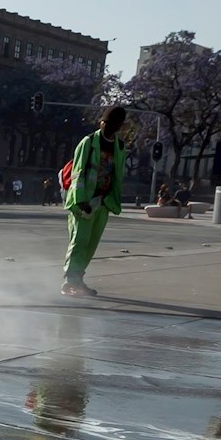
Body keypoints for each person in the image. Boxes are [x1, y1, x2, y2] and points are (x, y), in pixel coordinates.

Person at [61, 105, 129, 297]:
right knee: (79, 241)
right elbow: (78, 172)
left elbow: (117, 175)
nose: (107, 126)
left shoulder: (120, 146)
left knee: (91, 243)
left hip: (104, 202)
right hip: (84, 203)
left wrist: (110, 201)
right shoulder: (89, 142)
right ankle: (70, 281)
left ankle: (77, 279)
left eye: (113, 124)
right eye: (105, 122)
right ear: (101, 121)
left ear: (119, 126)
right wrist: (80, 200)